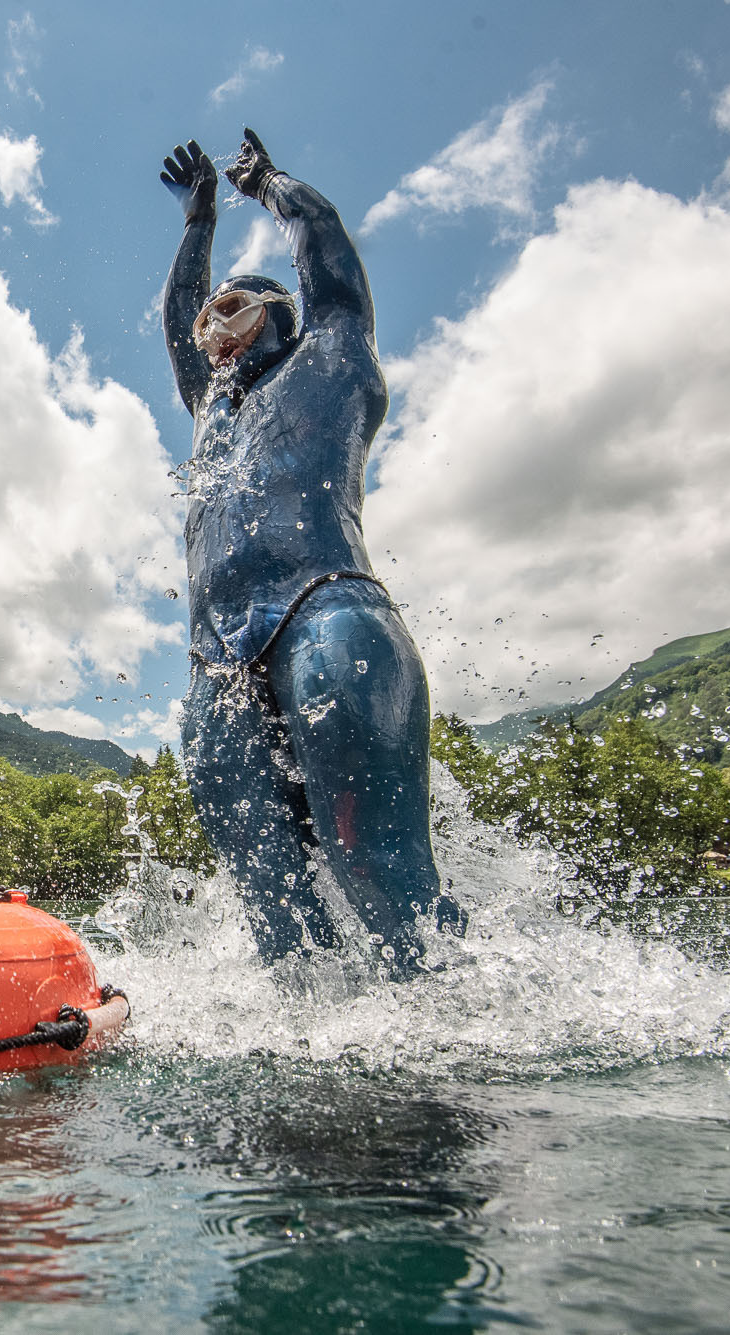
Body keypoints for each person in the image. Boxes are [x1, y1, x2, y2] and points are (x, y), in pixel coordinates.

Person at [158, 129, 463, 975]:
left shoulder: (327, 357)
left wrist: (272, 187)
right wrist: (198, 225)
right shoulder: (209, 415)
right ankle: (303, 1044)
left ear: (276, 316)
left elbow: (330, 269)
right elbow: (179, 333)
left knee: (371, 865)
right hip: (216, 658)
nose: (210, 333)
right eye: (204, 318)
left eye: (231, 309)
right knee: (274, 909)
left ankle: (441, 1003)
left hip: (326, 614)